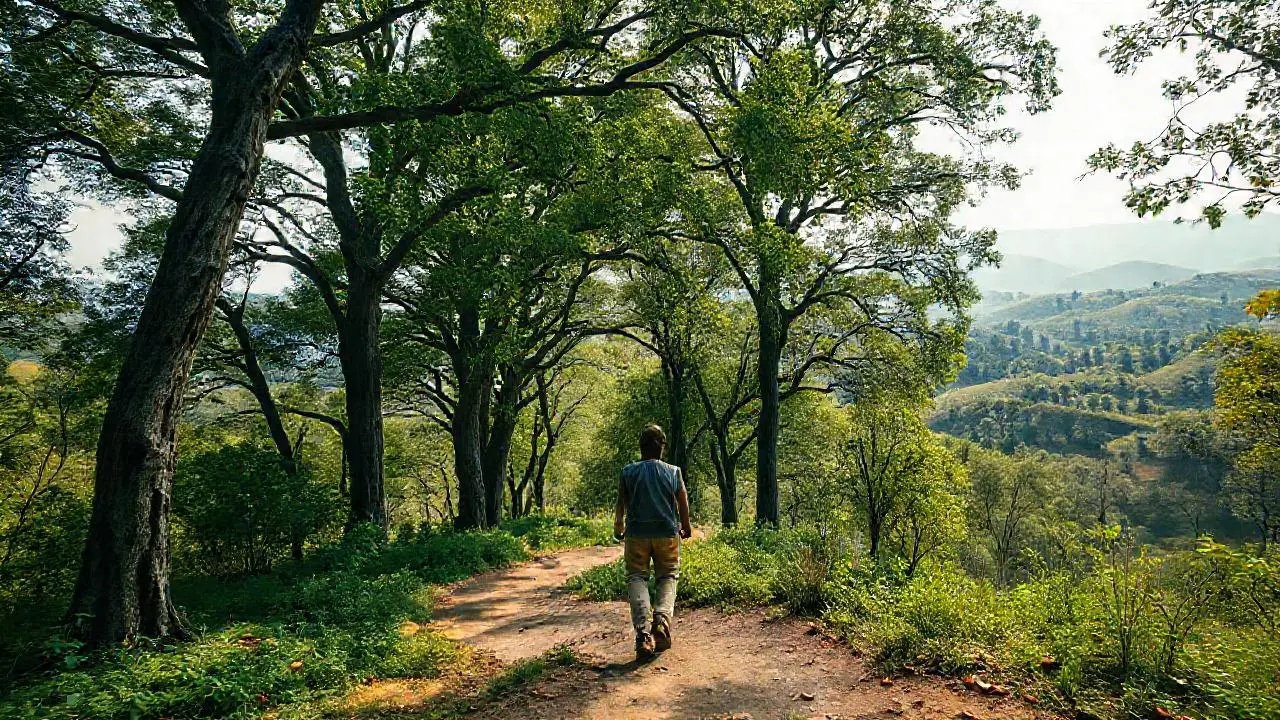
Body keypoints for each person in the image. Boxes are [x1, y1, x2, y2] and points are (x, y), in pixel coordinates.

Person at [614, 423, 693, 661]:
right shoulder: (673, 471)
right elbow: (682, 501)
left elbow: (621, 502)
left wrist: (619, 526)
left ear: (641, 448)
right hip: (666, 534)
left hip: (636, 534)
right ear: (662, 447)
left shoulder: (628, 472)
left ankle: (643, 635)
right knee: (667, 576)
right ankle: (661, 621)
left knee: (636, 577)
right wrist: (686, 526)